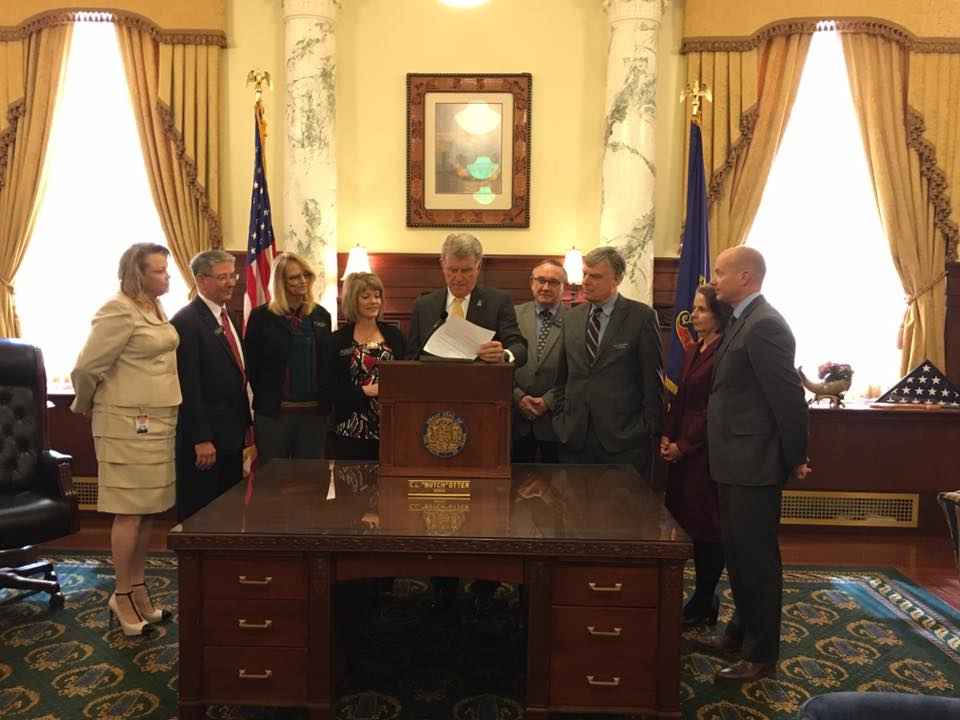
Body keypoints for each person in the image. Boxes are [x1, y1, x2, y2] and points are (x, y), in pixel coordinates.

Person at [705, 246, 810, 682]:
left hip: (754, 464)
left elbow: (788, 399)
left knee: (757, 561)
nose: (712, 280)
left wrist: (794, 458)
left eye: (720, 273)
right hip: (733, 461)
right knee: (738, 555)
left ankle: (762, 654)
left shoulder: (765, 325)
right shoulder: (740, 320)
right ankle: (739, 634)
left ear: (746, 278)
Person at [71, 243, 180, 636]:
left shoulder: (152, 307)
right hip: (125, 424)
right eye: (159, 271)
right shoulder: (117, 309)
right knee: (129, 511)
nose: (167, 276)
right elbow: (86, 368)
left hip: (158, 420)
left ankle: (138, 588)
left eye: (166, 270)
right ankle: (120, 594)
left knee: (150, 509)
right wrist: (85, 405)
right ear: (138, 274)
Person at [552, 246, 663, 473]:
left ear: (618, 278)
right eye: (585, 274)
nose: (586, 282)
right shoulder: (571, 318)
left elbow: (653, 384)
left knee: (622, 508)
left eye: (596, 276)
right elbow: (561, 379)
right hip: (574, 439)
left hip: (624, 441)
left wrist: (646, 428)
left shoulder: (641, 317)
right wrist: (561, 421)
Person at [660, 285, 732, 627]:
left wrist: (683, 445)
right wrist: (667, 435)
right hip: (681, 454)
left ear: (719, 314)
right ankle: (699, 596)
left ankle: (705, 597)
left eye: (701, 310)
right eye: (694, 309)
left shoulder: (725, 352)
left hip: (704, 455)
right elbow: (681, 398)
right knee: (685, 524)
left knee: (706, 529)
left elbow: (711, 411)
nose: (694, 316)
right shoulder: (694, 348)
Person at [171, 250, 253, 522]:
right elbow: (188, 385)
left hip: (230, 434)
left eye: (233, 275)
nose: (231, 283)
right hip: (206, 441)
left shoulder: (225, 315)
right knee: (201, 513)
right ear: (201, 280)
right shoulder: (186, 321)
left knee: (227, 509)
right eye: (222, 277)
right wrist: (201, 438)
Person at [244, 252, 333, 465]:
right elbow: (252, 367)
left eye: (306, 275)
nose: (302, 281)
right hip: (275, 415)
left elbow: (326, 364)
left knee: (310, 482)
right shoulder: (261, 317)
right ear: (280, 282)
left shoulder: (321, 315)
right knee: (273, 482)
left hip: (313, 415)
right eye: (294, 277)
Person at [407, 232, 526, 366]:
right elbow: (412, 355)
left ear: (478, 267)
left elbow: (519, 348)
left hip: (482, 382)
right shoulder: (424, 305)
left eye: (466, 271)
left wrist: (503, 355)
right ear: (442, 265)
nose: (458, 278)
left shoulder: (498, 302)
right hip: (434, 381)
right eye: (452, 270)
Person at [332, 272, 406, 460]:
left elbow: (408, 377)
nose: (374, 301)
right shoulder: (337, 340)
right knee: (352, 486)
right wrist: (367, 391)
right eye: (365, 297)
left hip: (392, 427)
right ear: (352, 300)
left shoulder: (395, 335)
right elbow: (331, 388)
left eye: (377, 295)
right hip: (351, 428)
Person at [512, 259, 568, 463]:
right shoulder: (512, 315)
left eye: (553, 282)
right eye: (541, 280)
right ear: (531, 282)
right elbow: (497, 365)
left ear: (564, 287)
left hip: (556, 421)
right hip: (515, 419)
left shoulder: (575, 320)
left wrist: (549, 400)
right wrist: (518, 396)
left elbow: (578, 370)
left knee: (558, 487)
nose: (546, 287)